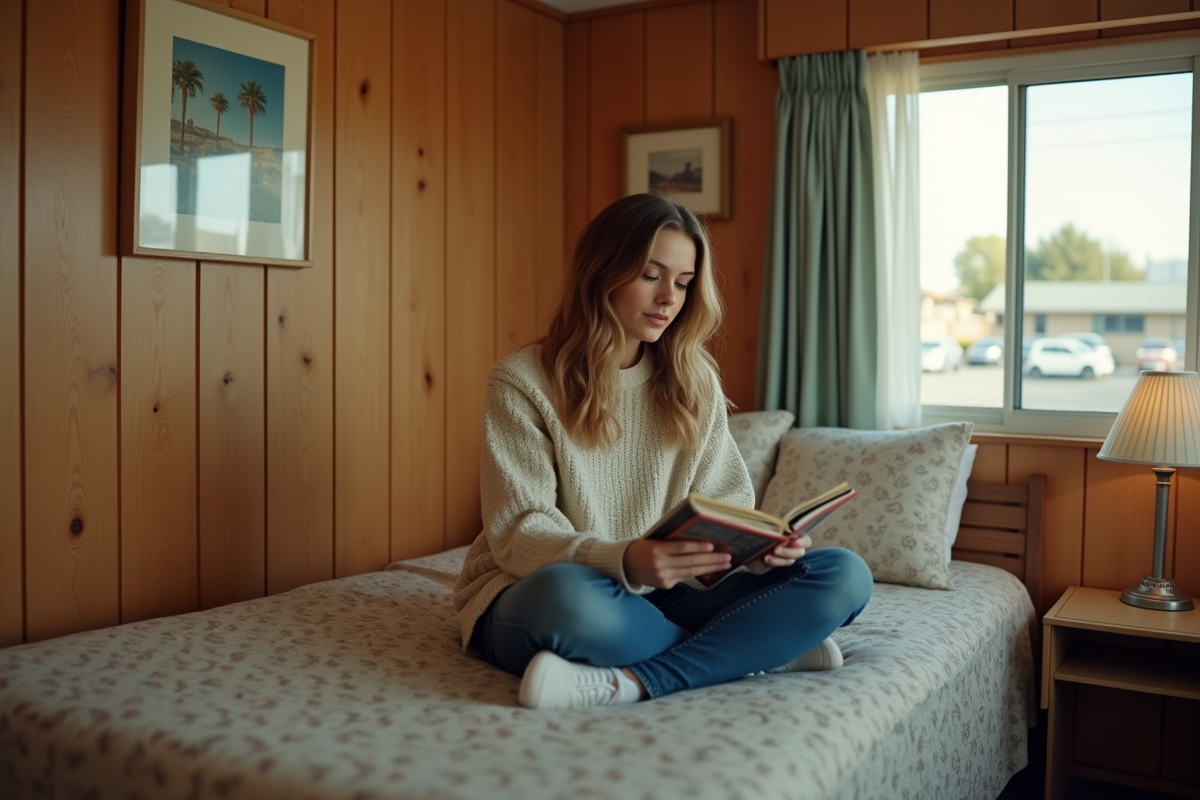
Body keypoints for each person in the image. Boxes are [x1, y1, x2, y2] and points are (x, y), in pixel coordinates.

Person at [452, 193, 873, 711]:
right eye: (651, 275)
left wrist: (758, 554)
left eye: (683, 281)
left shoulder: (695, 382)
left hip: (668, 595)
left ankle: (632, 680)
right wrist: (625, 559)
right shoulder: (522, 381)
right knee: (567, 596)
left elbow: (727, 504)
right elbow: (518, 533)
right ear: (602, 273)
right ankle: (758, 649)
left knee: (841, 574)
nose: (669, 298)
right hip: (547, 590)